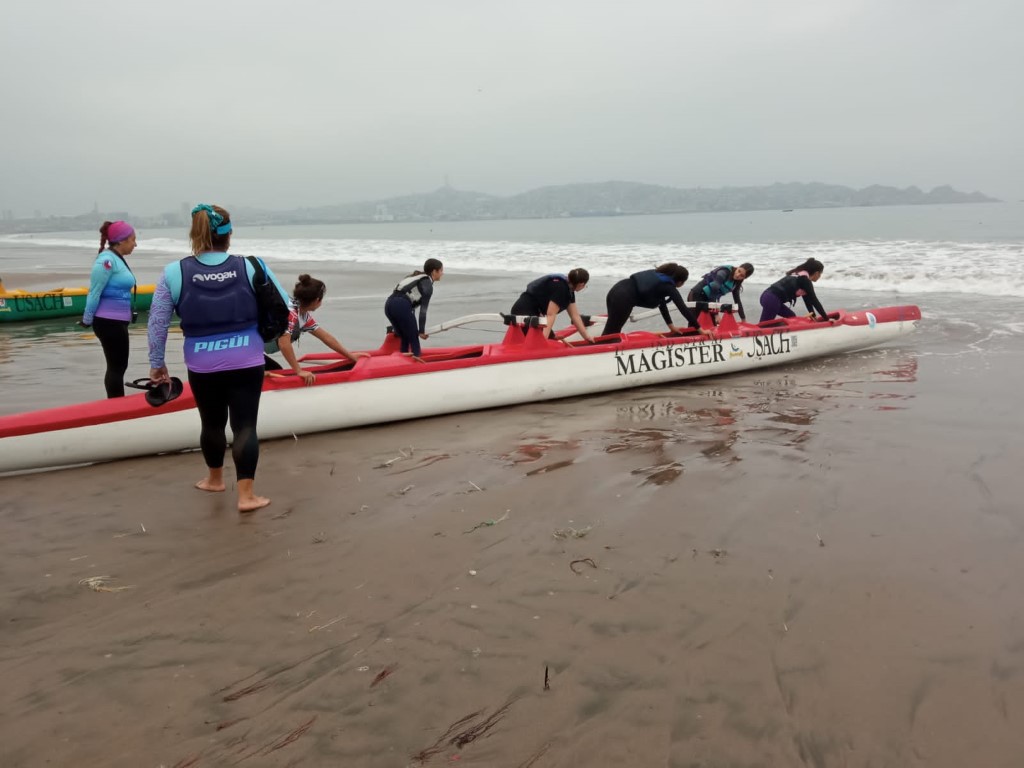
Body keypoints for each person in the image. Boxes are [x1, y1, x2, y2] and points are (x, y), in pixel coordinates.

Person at [147, 204, 289, 513]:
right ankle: (247, 496)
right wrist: (270, 339)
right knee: (245, 425)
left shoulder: (174, 272)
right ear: (229, 234)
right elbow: (286, 307)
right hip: (247, 358)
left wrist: (157, 364)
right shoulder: (251, 266)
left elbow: (157, 323)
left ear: (195, 233)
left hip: (202, 363)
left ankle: (214, 480)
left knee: (211, 423)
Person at [264, 274, 369, 384]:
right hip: (251, 351)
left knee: (274, 370)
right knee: (272, 372)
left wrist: (350, 356)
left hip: (254, 350)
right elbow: (284, 343)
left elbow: (326, 337)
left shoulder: (302, 314)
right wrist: (299, 371)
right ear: (317, 300)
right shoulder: (291, 313)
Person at [81, 220, 139, 398]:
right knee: (116, 367)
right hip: (108, 321)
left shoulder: (116, 258)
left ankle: (116, 403)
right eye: (133, 240)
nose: (135, 244)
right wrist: (87, 319)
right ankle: (116, 406)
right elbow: (94, 292)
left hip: (117, 321)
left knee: (119, 366)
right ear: (121, 241)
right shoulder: (106, 261)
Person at [601, 263, 710, 337]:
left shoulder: (659, 278)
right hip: (623, 298)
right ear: (680, 281)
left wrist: (671, 327)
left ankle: (599, 349)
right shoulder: (669, 287)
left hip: (616, 290)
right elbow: (683, 308)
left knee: (611, 330)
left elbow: (662, 304)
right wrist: (700, 330)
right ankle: (601, 353)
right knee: (612, 333)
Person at [510, 268, 595, 343]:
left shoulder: (569, 291)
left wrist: (587, 337)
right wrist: (544, 340)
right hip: (523, 312)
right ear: (581, 284)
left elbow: (575, 316)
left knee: (551, 338)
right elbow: (550, 315)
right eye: (585, 285)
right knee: (538, 342)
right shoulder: (561, 289)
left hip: (533, 313)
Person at [384, 258, 443, 360]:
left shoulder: (417, 277)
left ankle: (401, 361)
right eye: (441, 270)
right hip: (401, 305)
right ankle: (416, 360)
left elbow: (410, 306)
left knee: (405, 337)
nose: (442, 273)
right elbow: (423, 311)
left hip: (389, 304)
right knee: (413, 338)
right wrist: (421, 331)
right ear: (434, 271)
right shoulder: (428, 285)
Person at [759, 258, 829, 323]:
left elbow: (808, 302)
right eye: (820, 274)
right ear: (817, 273)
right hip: (772, 300)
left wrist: (813, 317)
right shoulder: (805, 280)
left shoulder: (800, 275)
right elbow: (815, 301)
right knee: (763, 326)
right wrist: (827, 319)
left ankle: (784, 330)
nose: (820, 276)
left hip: (767, 296)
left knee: (791, 316)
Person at [687, 263, 754, 321]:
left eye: (742, 275)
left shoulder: (736, 283)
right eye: (739, 271)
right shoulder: (724, 272)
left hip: (708, 300)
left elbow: (737, 300)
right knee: (696, 323)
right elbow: (713, 290)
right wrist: (716, 314)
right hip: (696, 295)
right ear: (738, 267)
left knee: (712, 325)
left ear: (744, 278)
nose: (738, 275)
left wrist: (743, 319)